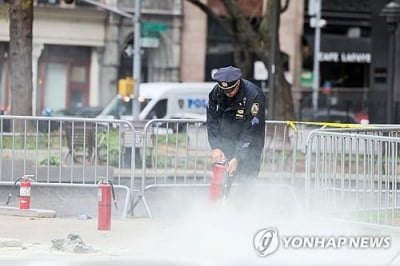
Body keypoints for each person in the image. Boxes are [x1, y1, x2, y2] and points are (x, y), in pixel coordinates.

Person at [207, 66, 265, 183]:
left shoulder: (254, 96)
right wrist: (216, 147)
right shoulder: (216, 92)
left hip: (250, 148)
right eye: (225, 90)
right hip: (227, 144)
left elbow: (251, 130)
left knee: (246, 184)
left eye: (231, 90)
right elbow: (212, 121)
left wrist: (238, 157)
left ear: (238, 82)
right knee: (223, 184)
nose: (228, 93)